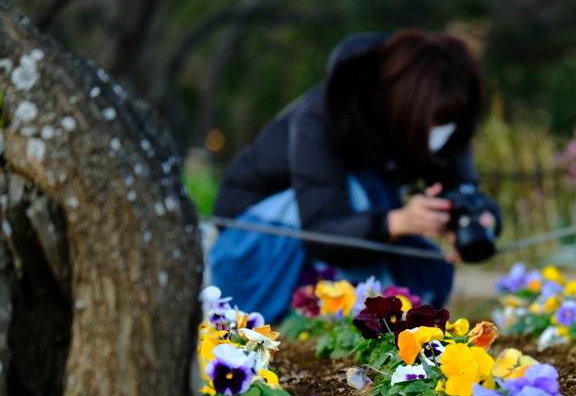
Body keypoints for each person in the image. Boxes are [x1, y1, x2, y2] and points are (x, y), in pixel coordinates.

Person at [209, 30, 501, 324]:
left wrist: (476, 220)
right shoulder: (323, 116)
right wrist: (399, 222)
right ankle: (362, 323)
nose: (443, 132)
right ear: (406, 110)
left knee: (429, 272)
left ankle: (375, 321)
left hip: (340, 225)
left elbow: (463, 189)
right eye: (436, 122)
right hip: (251, 244)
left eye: (451, 122)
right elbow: (322, 231)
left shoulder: (440, 119)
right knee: (363, 190)